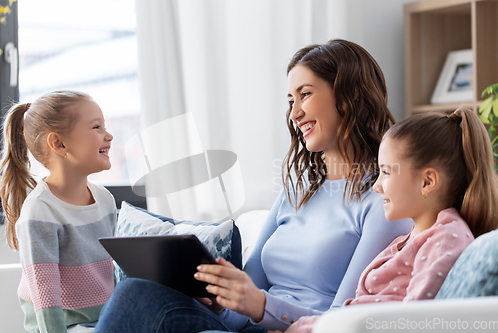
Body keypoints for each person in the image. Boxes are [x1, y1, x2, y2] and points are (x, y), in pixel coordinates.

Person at [94, 39, 413, 333]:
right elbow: (244, 302)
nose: (295, 112)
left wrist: (262, 305)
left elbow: (343, 319)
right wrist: (219, 300)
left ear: (350, 96)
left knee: (135, 294)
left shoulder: (384, 203)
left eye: (305, 94)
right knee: (139, 288)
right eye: (290, 100)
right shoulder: (295, 194)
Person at [285, 108, 498, 333]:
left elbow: (414, 320)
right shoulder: (410, 239)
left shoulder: (446, 238)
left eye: (386, 172)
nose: (376, 186)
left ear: (427, 182)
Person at [0, 91, 117, 333]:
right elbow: (46, 298)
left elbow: (112, 272)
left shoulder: (105, 200)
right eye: (96, 127)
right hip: (65, 326)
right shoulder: (40, 211)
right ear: (59, 143)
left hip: (103, 319)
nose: (109, 136)